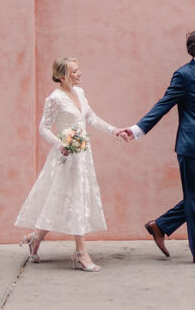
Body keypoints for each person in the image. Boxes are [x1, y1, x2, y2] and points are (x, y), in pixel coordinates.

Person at [117, 30, 195, 266]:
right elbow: (164, 104)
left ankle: (161, 225)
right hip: (191, 146)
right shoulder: (184, 75)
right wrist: (137, 130)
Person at [15, 57, 127, 272]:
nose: (79, 73)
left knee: (61, 198)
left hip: (83, 156)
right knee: (74, 198)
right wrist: (61, 145)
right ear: (61, 76)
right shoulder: (54, 99)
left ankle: (35, 238)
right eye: (74, 71)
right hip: (66, 156)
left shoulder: (80, 92)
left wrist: (114, 130)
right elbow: (43, 127)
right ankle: (81, 252)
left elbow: (91, 118)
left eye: (78, 69)